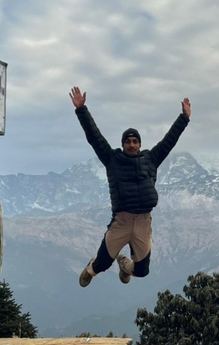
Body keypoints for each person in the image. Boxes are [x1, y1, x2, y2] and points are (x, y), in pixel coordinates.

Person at [69, 86, 191, 287]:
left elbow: (170, 141)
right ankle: (90, 270)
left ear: (140, 144)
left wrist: (184, 118)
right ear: (123, 144)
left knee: (142, 271)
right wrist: (81, 110)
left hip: (144, 222)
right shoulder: (112, 159)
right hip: (122, 221)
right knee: (102, 264)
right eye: (128, 142)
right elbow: (94, 137)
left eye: (135, 141)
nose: (132, 145)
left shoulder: (151, 159)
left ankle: (125, 264)